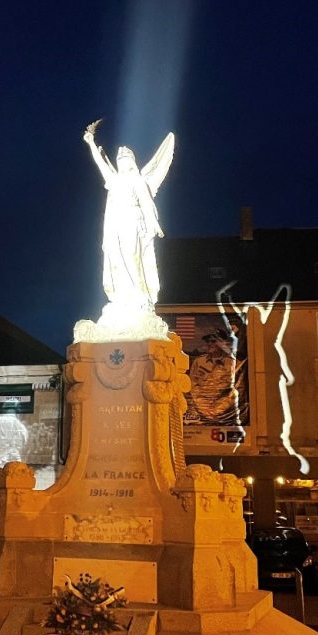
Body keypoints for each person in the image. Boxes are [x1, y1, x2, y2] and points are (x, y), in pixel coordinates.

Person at [83, 122, 174, 314]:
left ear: (131, 161)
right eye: (120, 158)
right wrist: (91, 143)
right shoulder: (114, 180)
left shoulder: (137, 180)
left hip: (132, 220)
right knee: (116, 257)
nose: (122, 160)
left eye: (126, 158)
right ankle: (121, 297)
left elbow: (147, 202)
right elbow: (100, 164)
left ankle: (139, 295)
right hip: (116, 223)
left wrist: (154, 224)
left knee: (132, 256)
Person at [188, 329, 239, 424]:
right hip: (200, 410)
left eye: (213, 341)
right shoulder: (199, 362)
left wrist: (216, 410)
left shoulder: (232, 363)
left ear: (222, 343)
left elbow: (235, 390)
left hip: (223, 414)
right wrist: (203, 407)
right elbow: (193, 386)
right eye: (208, 341)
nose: (209, 344)